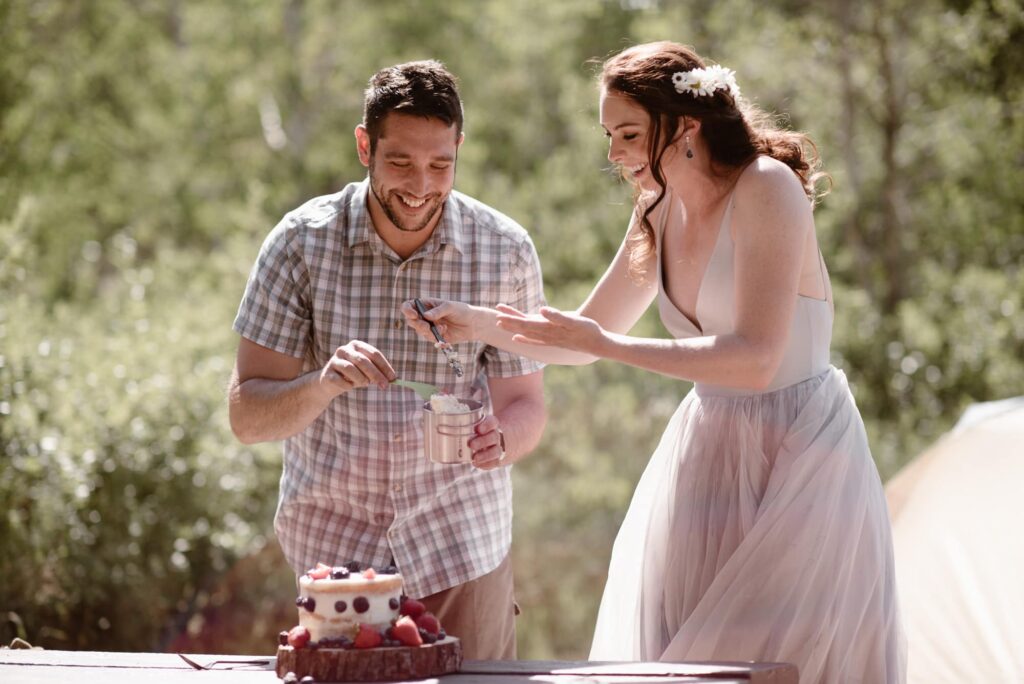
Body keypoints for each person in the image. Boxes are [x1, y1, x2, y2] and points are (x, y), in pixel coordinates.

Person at [403, 42, 905, 682]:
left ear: (687, 124)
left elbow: (755, 359)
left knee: (782, 660)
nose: (615, 155)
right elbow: (578, 337)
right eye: (610, 135)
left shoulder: (767, 188)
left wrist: (606, 347)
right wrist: (476, 321)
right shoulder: (656, 209)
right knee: (688, 661)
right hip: (708, 457)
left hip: (803, 458)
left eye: (630, 134)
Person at [228, 60, 548, 660]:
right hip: (331, 554)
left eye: (440, 164)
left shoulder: (505, 248)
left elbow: (525, 405)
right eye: (399, 162)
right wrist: (322, 385)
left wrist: (501, 440)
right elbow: (247, 417)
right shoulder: (300, 243)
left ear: (459, 147)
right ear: (364, 146)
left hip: (462, 549)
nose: (420, 184)